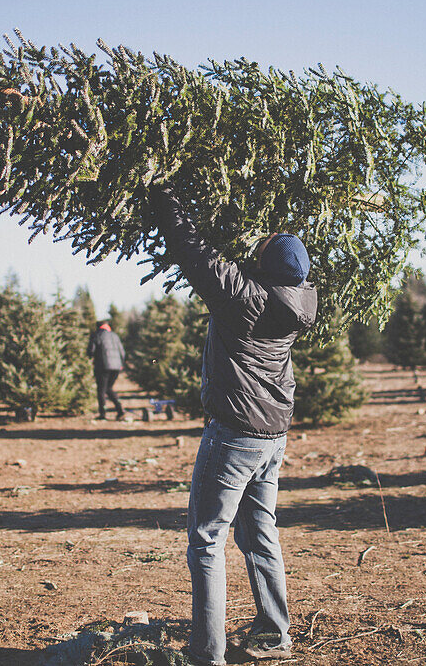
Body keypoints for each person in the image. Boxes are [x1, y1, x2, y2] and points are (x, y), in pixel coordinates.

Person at [149, 187, 317, 666]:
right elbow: (276, 266)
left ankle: (207, 655)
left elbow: (192, 252)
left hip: (234, 436)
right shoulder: (300, 301)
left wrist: (166, 193)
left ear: (263, 269)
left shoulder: (243, 299)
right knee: (261, 534)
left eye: (259, 251)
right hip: (272, 437)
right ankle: (274, 633)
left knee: (206, 539)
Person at [86, 319, 126, 420]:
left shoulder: (97, 335)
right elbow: (122, 352)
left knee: (101, 390)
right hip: (116, 366)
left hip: (103, 366)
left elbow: (91, 351)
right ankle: (120, 409)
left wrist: (90, 357)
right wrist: (121, 364)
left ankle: (103, 414)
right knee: (109, 388)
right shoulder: (115, 335)